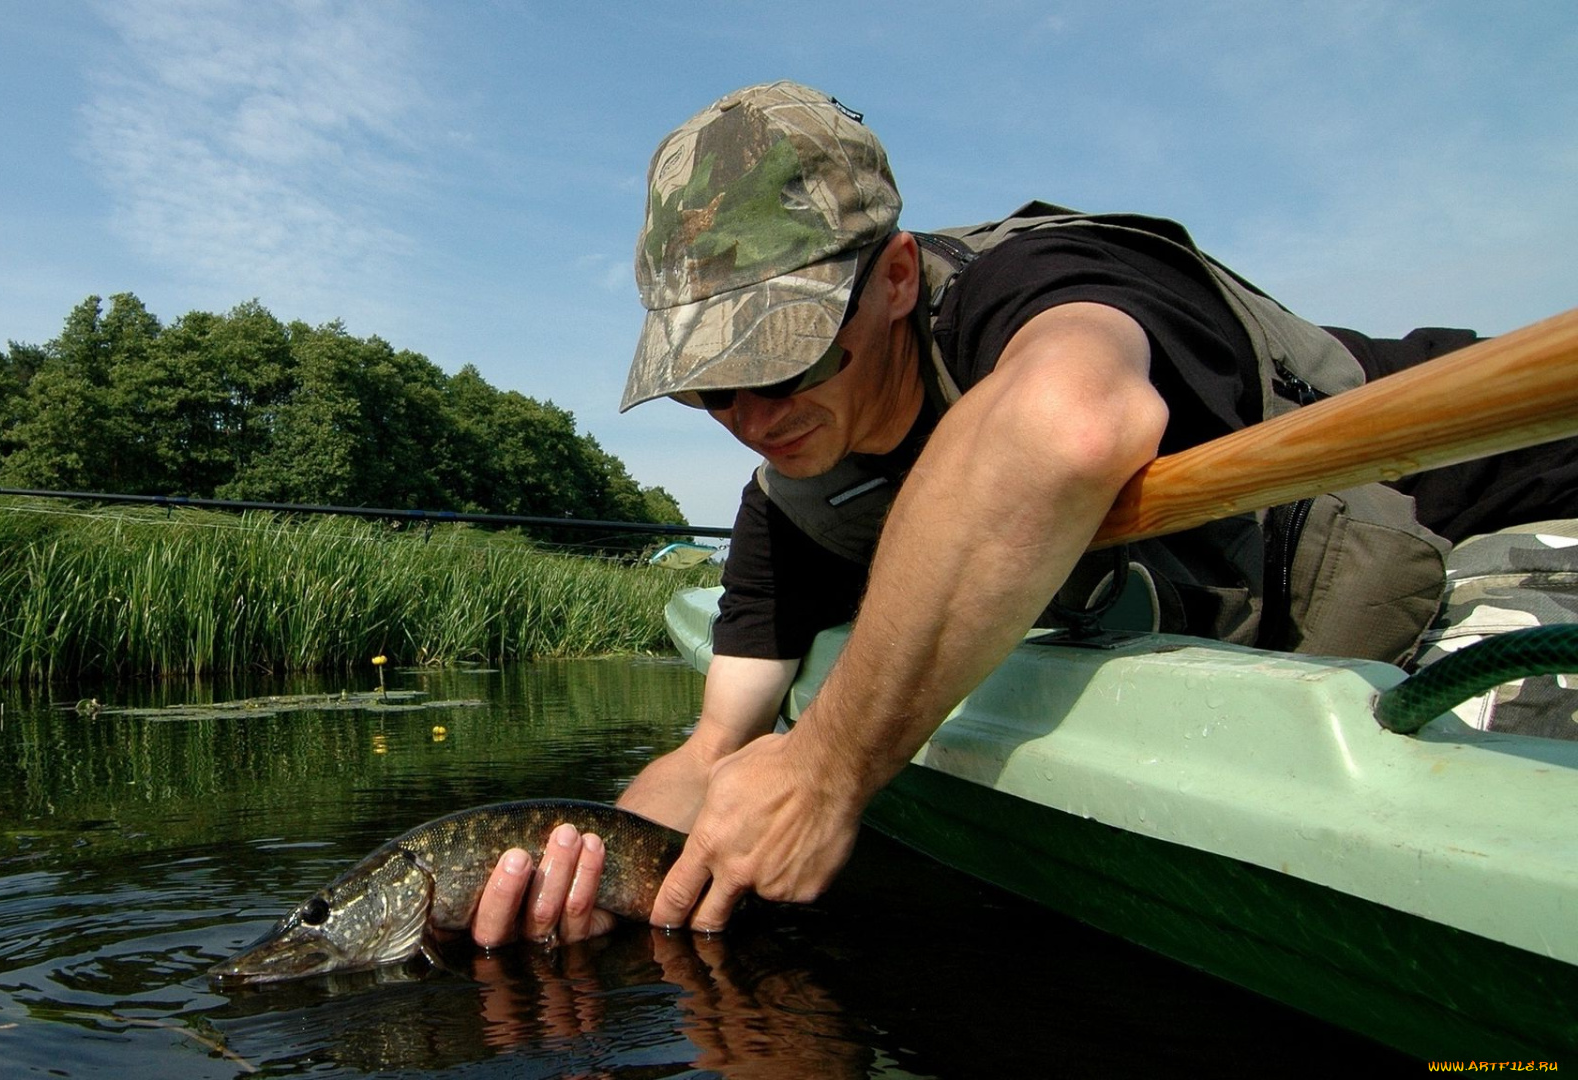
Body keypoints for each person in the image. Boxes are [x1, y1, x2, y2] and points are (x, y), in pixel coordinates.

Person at [466, 80, 1578, 950]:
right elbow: (715, 747)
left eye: (784, 355)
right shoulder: (794, 501)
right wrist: (573, 867)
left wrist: (831, 766)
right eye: (711, 384)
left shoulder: (1048, 283)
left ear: (897, 277)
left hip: (1503, 501)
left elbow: (1066, 428)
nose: (752, 416)